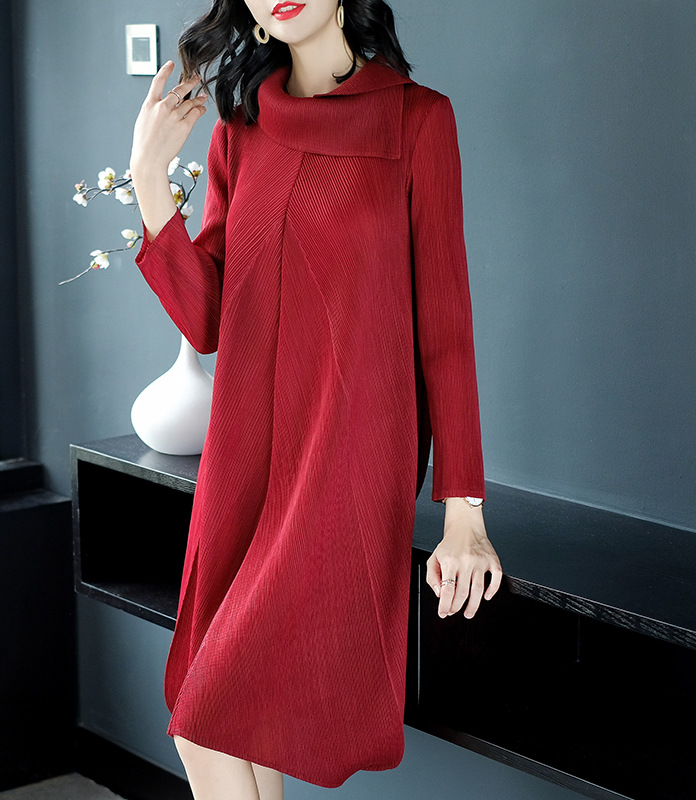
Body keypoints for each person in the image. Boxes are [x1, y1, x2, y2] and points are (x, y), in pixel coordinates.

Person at [129, 1, 502, 797]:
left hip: (346, 459)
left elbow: (446, 328)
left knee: (206, 722)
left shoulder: (417, 121)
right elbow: (208, 318)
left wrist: (464, 516)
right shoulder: (240, 133)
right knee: (235, 723)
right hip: (245, 463)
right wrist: (149, 179)